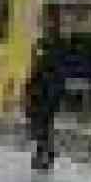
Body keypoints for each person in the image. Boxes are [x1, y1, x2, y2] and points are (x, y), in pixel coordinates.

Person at [24, 13, 64, 172]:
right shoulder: (46, 43)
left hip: (46, 89)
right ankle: (44, 152)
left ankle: (45, 153)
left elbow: (40, 67)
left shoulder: (52, 45)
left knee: (42, 122)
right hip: (46, 88)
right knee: (43, 123)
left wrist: (31, 84)